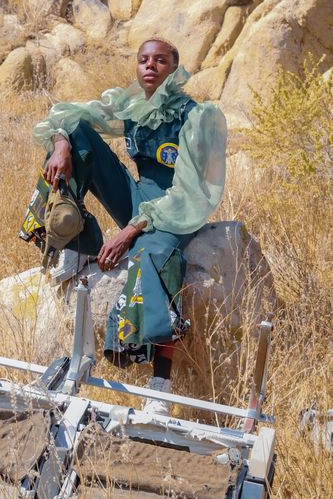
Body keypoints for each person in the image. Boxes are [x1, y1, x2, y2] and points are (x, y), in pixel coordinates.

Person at [21, 38, 227, 415]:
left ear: (174, 69)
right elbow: (64, 115)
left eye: (160, 60)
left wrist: (129, 231)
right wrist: (61, 144)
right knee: (78, 133)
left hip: (179, 209)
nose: (150, 66)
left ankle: (159, 388)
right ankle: (71, 241)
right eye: (144, 59)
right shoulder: (131, 106)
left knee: (153, 255)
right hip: (138, 197)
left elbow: (188, 191)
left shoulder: (195, 116)